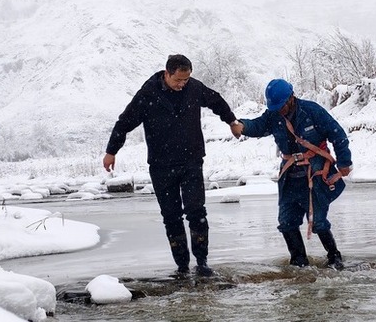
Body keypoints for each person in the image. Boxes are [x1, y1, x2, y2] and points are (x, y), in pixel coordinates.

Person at [103, 54, 241, 277]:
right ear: (166, 74)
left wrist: (232, 121)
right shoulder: (148, 94)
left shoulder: (194, 88)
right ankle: (182, 266)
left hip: (191, 162)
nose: (182, 85)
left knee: (196, 212)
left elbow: (217, 101)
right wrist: (111, 151)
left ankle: (202, 262)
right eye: (178, 80)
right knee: (171, 216)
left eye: (186, 80)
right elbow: (124, 122)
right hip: (161, 165)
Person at [230, 79, 352, 270]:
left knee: (319, 222)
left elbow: (338, 135)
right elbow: (258, 126)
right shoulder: (272, 115)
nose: (279, 110)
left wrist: (345, 162)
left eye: (281, 106)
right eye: (275, 107)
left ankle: (334, 257)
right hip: (290, 176)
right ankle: (299, 263)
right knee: (286, 222)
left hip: (316, 174)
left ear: (291, 98)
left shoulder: (312, 111)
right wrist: (242, 126)